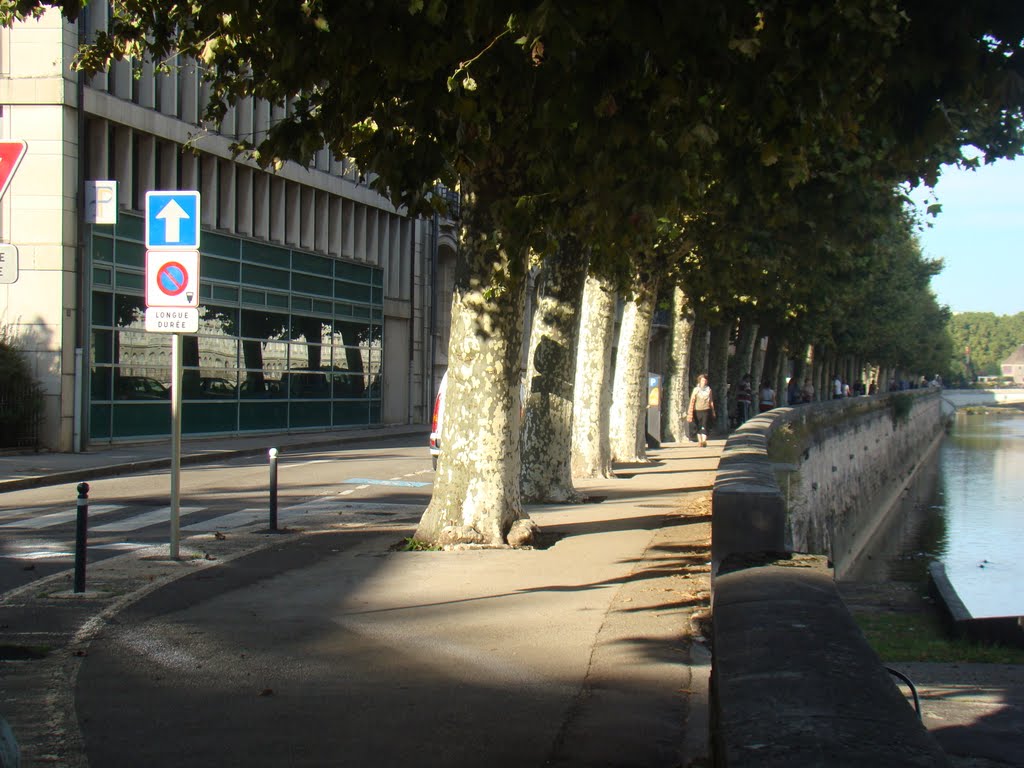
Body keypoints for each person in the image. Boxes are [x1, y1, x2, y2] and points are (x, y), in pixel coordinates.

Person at [687, 373, 716, 448]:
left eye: (705, 380)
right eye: (702, 380)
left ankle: (704, 441)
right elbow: (692, 400)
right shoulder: (696, 390)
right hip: (697, 410)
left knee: (704, 425)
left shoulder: (709, 389)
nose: (704, 382)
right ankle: (700, 441)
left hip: (706, 409)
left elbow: (711, 401)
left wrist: (713, 410)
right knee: (698, 426)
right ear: (699, 381)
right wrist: (690, 411)